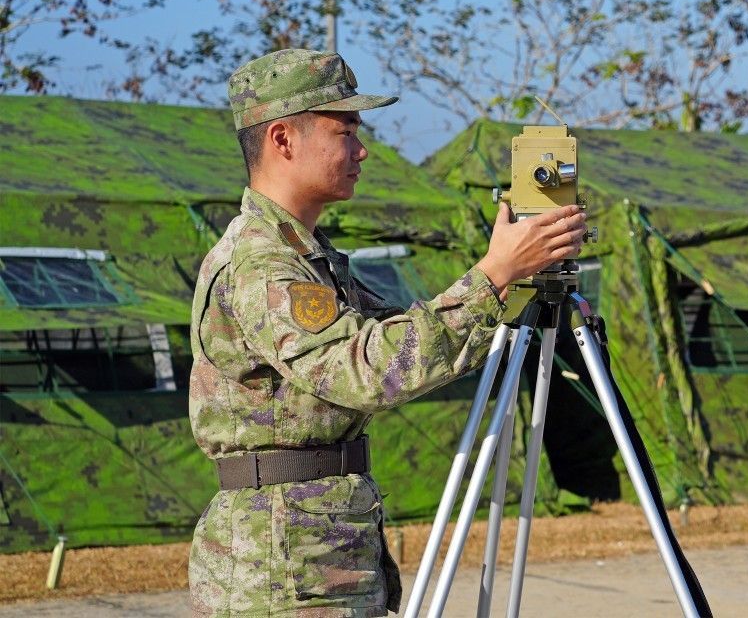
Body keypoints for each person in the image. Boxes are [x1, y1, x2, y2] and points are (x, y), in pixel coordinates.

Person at [187, 48, 586, 617]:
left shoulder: (307, 257)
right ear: (282, 138)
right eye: (345, 131)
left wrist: (510, 282)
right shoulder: (262, 264)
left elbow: (404, 341)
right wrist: (494, 275)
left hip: (315, 551)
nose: (362, 150)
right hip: (281, 570)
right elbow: (367, 370)